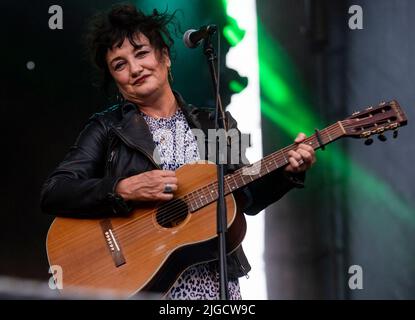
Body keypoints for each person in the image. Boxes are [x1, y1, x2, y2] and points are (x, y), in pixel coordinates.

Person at [40, 4, 316, 300]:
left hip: (216, 291)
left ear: (166, 57)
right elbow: (55, 191)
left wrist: (287, 174)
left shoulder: (214, 123)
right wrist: (121, 189)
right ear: (116, 82)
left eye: (141, 53)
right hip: (148, 290)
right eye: (119, 65)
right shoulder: (107, 128)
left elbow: (244, 198)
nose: (134, 69)